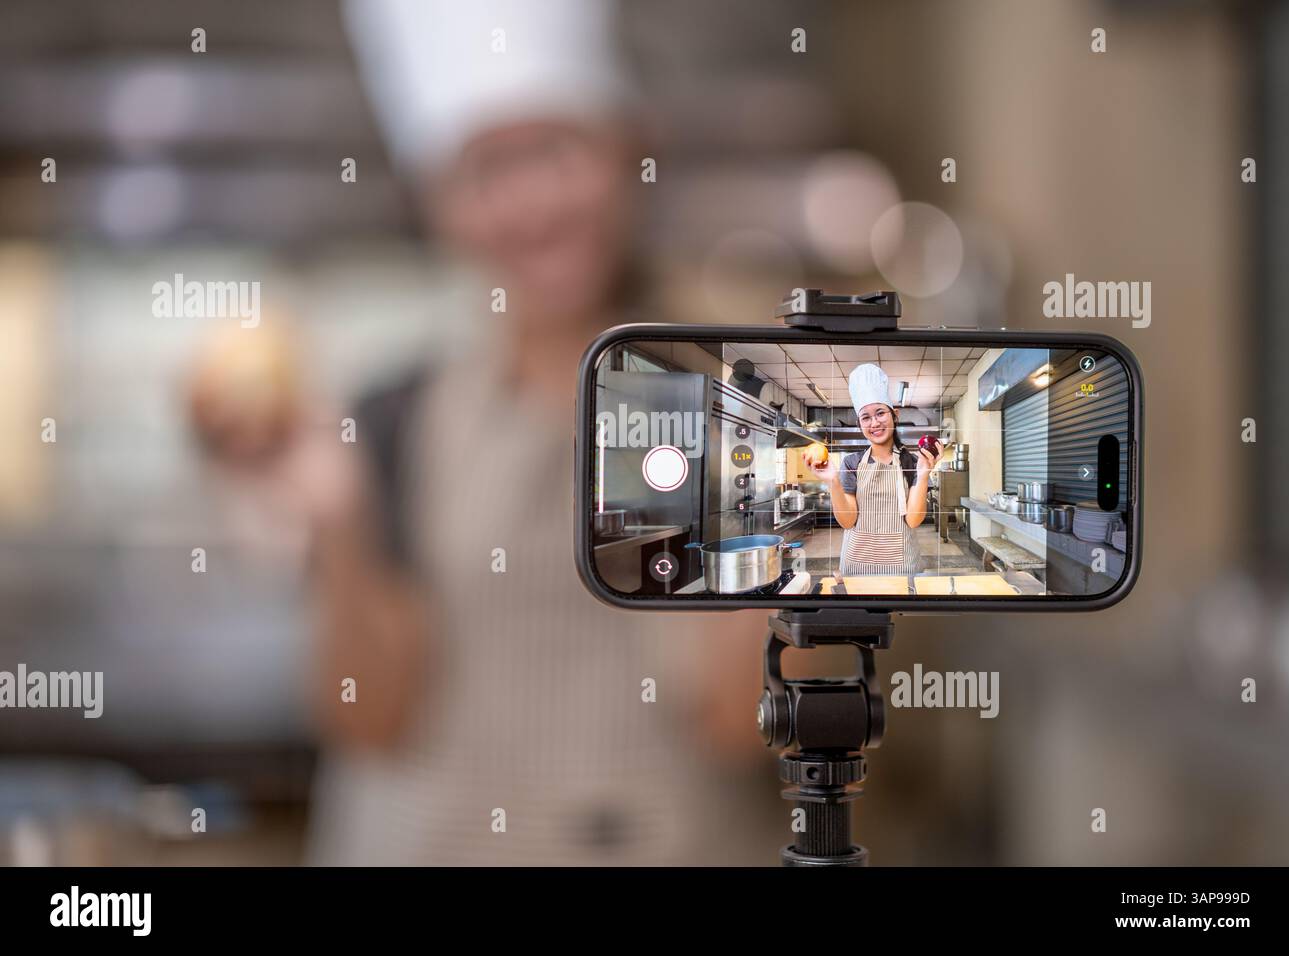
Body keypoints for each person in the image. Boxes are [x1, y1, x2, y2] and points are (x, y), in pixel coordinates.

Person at [286, 0, 770, 865]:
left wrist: (807, 514)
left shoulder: (728, 393)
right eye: (485, 170)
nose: (533, 203)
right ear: (437, 204)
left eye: (558, 150)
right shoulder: (394, 414)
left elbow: (737, 723)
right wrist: (336, 531)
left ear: (629, 150)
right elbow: (370, 714)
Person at [803, 363, 940, 576]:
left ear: (894, 414)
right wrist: (833, 481)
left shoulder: (912, 462)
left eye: (880, 413)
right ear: (860, 423)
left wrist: (923, 475)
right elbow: (848, 521)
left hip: (901, 567)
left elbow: (913, 520)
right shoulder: (851, 463)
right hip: (857, 567)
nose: (874, 423)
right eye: (866, 417)